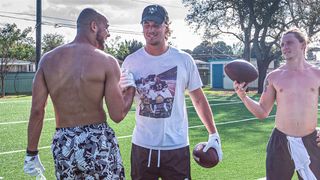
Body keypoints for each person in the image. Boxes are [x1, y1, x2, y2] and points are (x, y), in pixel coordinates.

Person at [23, 8, 135, 179]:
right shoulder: (107, 61)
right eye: (106, 27)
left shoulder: (47, 59)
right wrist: (131, 90)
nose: (108, 34)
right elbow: (117, 114)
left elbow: (37, 110)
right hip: (97, 141)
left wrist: (31, 152)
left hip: (64, 141)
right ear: (94, 26)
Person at [120, 4, 222, 180]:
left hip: (176, 146)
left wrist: (214, 133)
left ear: (166, 27)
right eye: (147, 24)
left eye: (156, 25)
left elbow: (198, 99)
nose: (151, 29)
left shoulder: (183, 59)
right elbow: (121, 107)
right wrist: (125, 91)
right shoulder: (131, 62)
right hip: (143, 146)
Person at [234, 28, 320, 179]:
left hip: (311, 141)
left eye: (289, 43)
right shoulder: (274, 76)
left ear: (303, 44)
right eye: (282, 44)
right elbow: (262, 112)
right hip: (280, 142)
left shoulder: (317, 74)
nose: (284, 47)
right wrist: (243, 96)